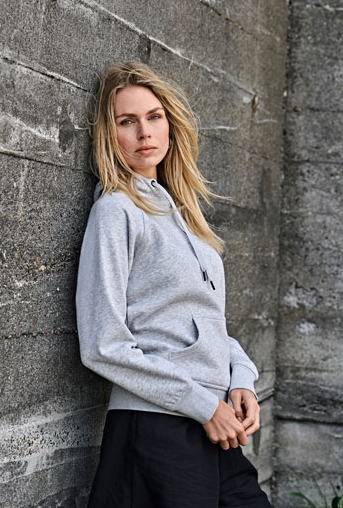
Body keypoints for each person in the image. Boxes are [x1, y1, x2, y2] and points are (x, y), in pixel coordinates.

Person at [75, 61, 271, 507]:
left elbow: (207, 325)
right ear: (109, 134)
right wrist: (204, 405)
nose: (144, 132)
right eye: (127, 121)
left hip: (214, 422)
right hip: (157, 427)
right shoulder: (115, 212)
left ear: (170, 125)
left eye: (154, 117)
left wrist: (240, 379)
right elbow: (102, 344)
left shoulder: (187, 218)